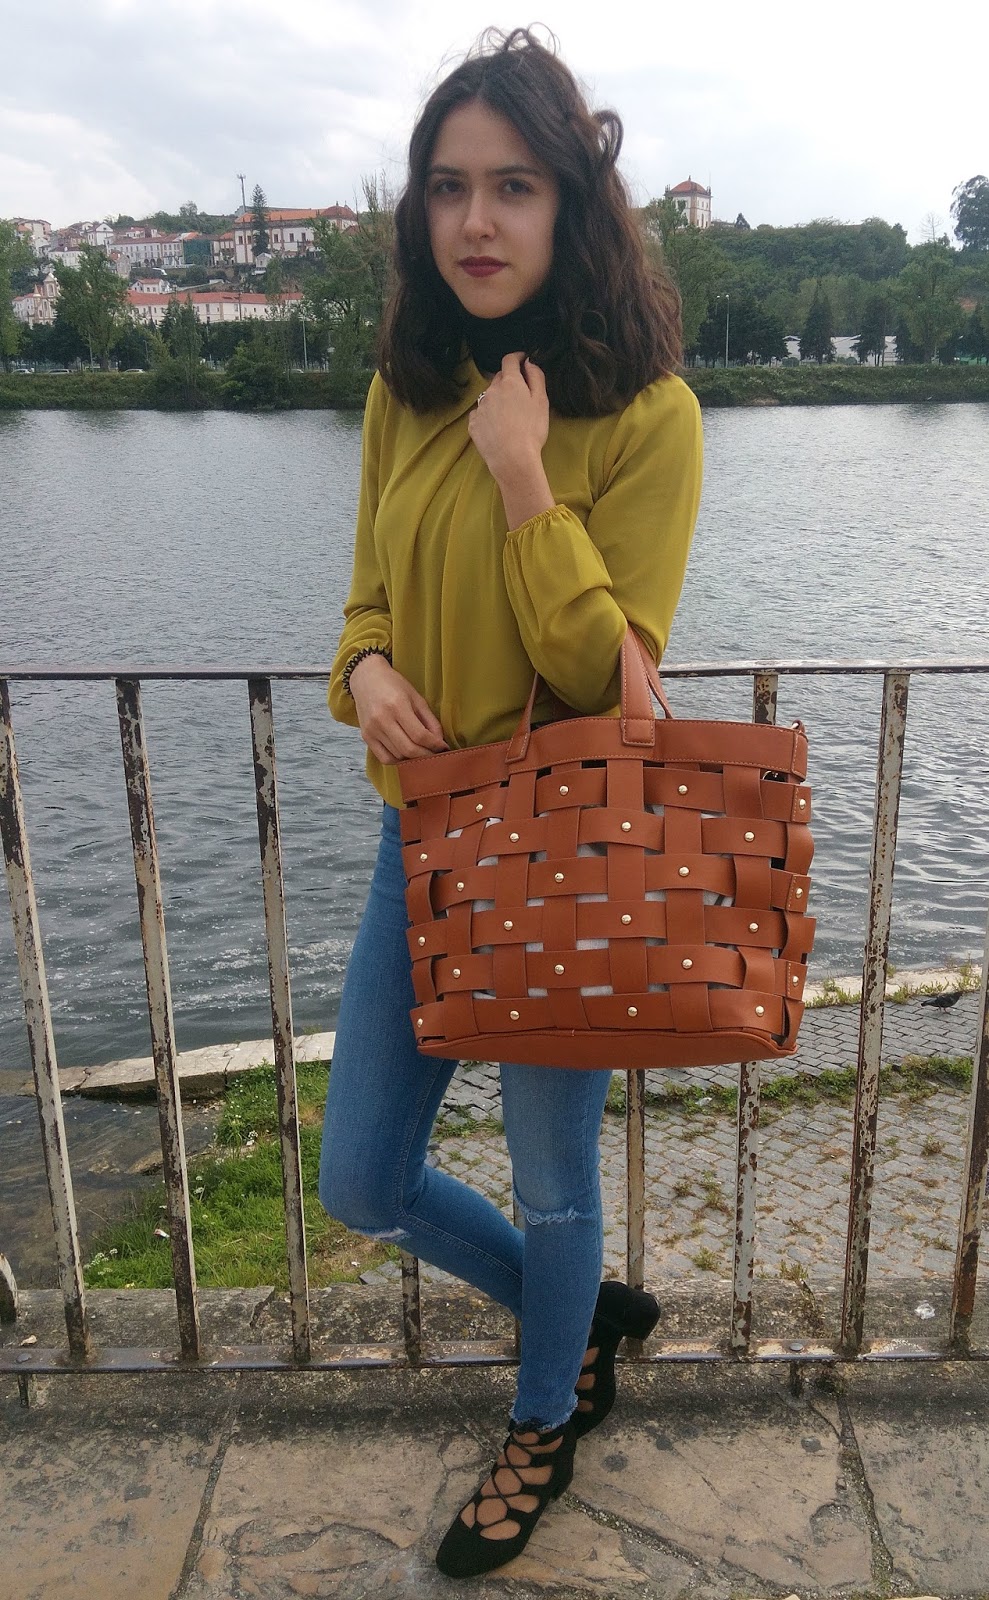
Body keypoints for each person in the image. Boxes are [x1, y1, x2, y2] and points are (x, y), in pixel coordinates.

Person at [319, 27, 703, 1579]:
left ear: (570, 207)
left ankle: (544, 1413)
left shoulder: (650, 418)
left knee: (553, 1184)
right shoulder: (401, 390)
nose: (474, 220)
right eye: (447, 186)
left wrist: (527, 479)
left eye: (514, 186)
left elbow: (616, 681)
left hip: (565, 853)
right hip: (418, 838)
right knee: (359, 1177)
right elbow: (361, 603)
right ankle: (581, 1312)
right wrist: (362, 676)